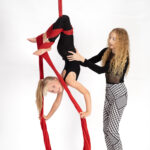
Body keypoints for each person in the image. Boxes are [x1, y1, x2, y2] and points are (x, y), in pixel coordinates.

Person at [67, 28, 130, 150]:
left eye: (114, 39)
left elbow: (100, 70)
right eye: (110, 37)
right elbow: (91, 61)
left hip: (119, 94)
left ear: (122, 41)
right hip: (109, 93)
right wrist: (77, 59)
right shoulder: (107, 51)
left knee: (112, 131)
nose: (110, 41)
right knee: (106, 130)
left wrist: (82, 60)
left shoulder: (123, 57)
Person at [27, 15, 91, 119]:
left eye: (52, 87)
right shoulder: (64, 83)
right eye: (52, 91)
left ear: (56, 79)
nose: (55, 90)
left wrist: (88, 111)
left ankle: (46, 43)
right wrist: (48, 116)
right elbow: (57, 102)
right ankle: (43, 38)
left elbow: (86, 93)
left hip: (66, 49)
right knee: (64, 21)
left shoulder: (68, 80)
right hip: (65, 49)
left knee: (65, 19)